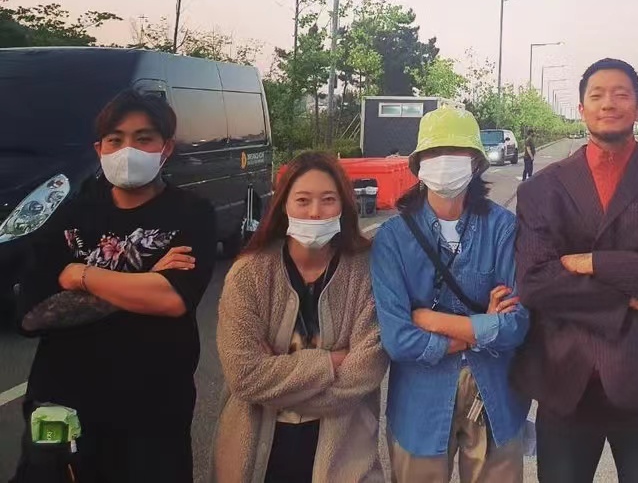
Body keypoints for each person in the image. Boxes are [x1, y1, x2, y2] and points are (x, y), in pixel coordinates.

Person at [513, 57, 638, 483]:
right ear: (581, 108)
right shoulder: (541, 189)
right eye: (597, 95)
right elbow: (535, 283)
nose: (609, 103)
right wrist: (631, 297)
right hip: (566, 380)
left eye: (621, 94)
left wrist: (596, 262)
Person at [15, 90, 216, 483]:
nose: (128, 150)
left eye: (144, 139)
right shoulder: (70, 214)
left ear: (166, 148)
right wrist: (143, 281)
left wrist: (81, 275)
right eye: (115, 139)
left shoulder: (192, 214)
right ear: (100, 149)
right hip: (63, 408)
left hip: (153, 413)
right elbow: (32, 314)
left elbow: (172, 299)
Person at [372, 105, 529, 483]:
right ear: (419, 164)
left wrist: (431, 319)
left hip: (495, 400)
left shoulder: (503, 228)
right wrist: (481, 328)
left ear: (475, 162)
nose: (445, 161)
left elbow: (517, 325)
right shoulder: (392, 239)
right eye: (435, 152)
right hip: (419, 408)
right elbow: (398, 339)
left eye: (457, 151)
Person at [213, 151, 387, 483]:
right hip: (258, 452)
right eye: (303, 200)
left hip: (344, 454)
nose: (315, 212)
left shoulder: (366, 272)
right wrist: (330, 362)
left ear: (344, 206)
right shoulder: (249, 274)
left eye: (328, 200)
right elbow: (244, 375)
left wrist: (276, 379)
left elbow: (364, 372)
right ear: (283, 206)